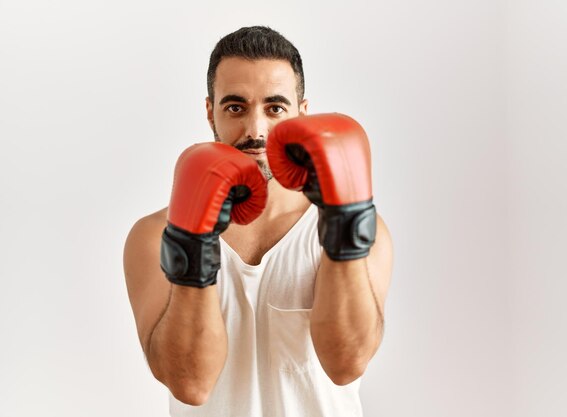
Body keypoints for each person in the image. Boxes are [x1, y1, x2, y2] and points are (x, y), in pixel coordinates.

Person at [123, 26, 393, 417]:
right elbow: (190, 384)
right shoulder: (155, 237)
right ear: (209, 111)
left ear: (302, 113)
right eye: (235, 107)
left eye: (274, 108)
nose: (255, 130)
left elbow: (346, 364)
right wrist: (192, 240)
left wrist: (344, 222)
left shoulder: (361, 228)